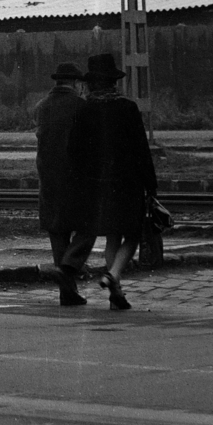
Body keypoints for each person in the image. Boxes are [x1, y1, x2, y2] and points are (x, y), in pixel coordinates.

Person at [71, 51, 156, 312]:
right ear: (113, 82)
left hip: (97, 184)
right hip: (127, 181)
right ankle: (114, 276)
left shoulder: (85, 110)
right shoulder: (128, 108)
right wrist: (150, 185)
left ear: (91, 83)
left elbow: (74, 151)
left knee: (112, 236)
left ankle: (116, 295)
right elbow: (142, 149)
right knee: (131, 234)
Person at [36, 61, 94, 306]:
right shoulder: (82, 106)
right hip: (75, 177)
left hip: (48, 178)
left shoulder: (41, 107)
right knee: (89, 226)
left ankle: (67, 292)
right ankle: (70, 266)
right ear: (75, 83)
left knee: (58, 234)